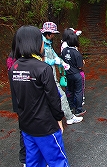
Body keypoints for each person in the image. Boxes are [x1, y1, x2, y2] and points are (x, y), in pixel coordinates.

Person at [9, 25, 70, 167]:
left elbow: (16, 100)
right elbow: (53, 98)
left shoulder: (14, 68)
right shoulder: (43, 68)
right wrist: (58, 118)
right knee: (57, 160)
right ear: (36, 43)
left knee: (34, 161)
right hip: (46, 126)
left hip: (26, 126)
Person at [41, 22, 83, 123]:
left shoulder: (47, 43)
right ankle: (69, 117)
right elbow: (42, 59)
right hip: (47, 75)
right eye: (53, 34)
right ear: (48, 33)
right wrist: (54, 61)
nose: (53, 36)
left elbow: (55, 55)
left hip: (50, 74)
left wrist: (61, 62)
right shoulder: (41, 43)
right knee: (61, 95)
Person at [6, 33, 26, 166]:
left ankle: (26, 158)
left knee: (24, 128)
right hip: (24, 100)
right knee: (27, 130)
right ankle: (25, 158)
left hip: (19, 101)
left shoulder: (12, 59)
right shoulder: (17, 60)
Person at [61, 32, 86, 116]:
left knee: (70, 91)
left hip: (68, 74)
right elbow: (80, 66)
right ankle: (78, 109)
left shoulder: (64, 51)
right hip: (76, 74)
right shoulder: (76, 53)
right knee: (78, 91)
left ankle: (70, 107)